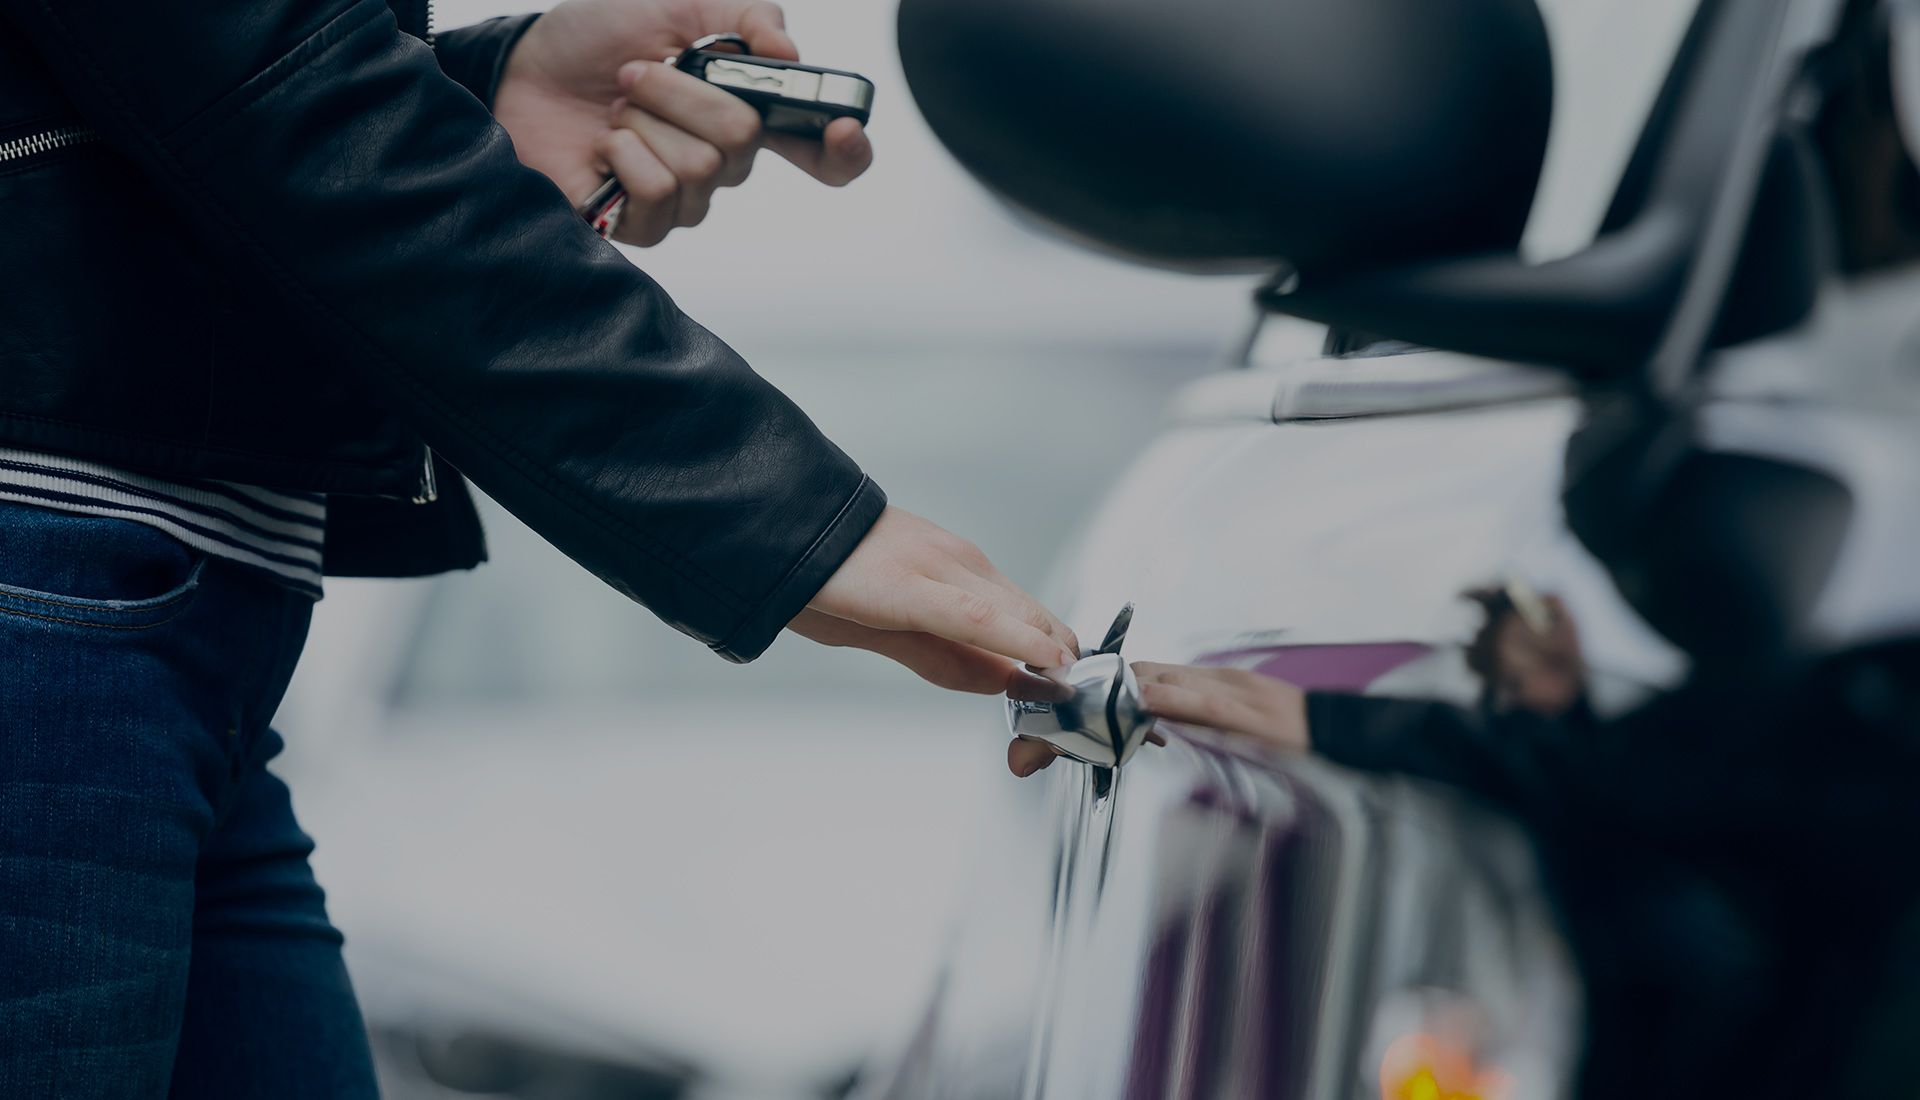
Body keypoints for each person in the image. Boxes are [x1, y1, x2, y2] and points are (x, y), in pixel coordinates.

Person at [0, 0, 1079, 1093]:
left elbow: (198, 68)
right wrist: (774, 510)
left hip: (177, 639)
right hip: (57, 610)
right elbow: (271, 82)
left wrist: (470, 88)